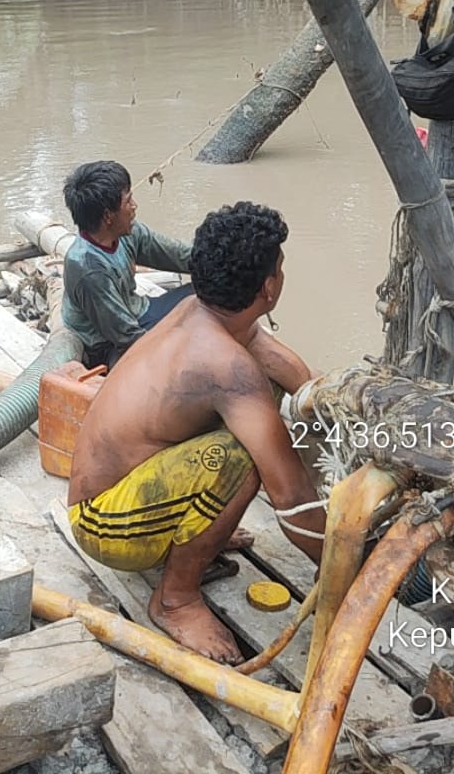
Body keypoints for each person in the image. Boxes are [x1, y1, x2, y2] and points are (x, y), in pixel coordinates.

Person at [66, 202, 319, 663]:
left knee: (248, 433)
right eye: (279, 268)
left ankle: (195, 532)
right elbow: (292, 497)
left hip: (118, 493)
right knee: (242, 458)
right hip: (103, 524)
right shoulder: (225, 367)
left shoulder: (198, 311)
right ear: (268, 287)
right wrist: (348, 561)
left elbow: (278, 359)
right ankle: (174, 599)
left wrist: (328, 404)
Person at [60, 160, 197, 370]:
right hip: (107, 344)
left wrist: (226, 261)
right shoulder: (88, 269)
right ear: (108, 216)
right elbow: (125, 336)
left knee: (210, 291)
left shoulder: (127, 233)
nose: (134, 206)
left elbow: (182, 256)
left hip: (137, 311)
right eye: (128, 200)